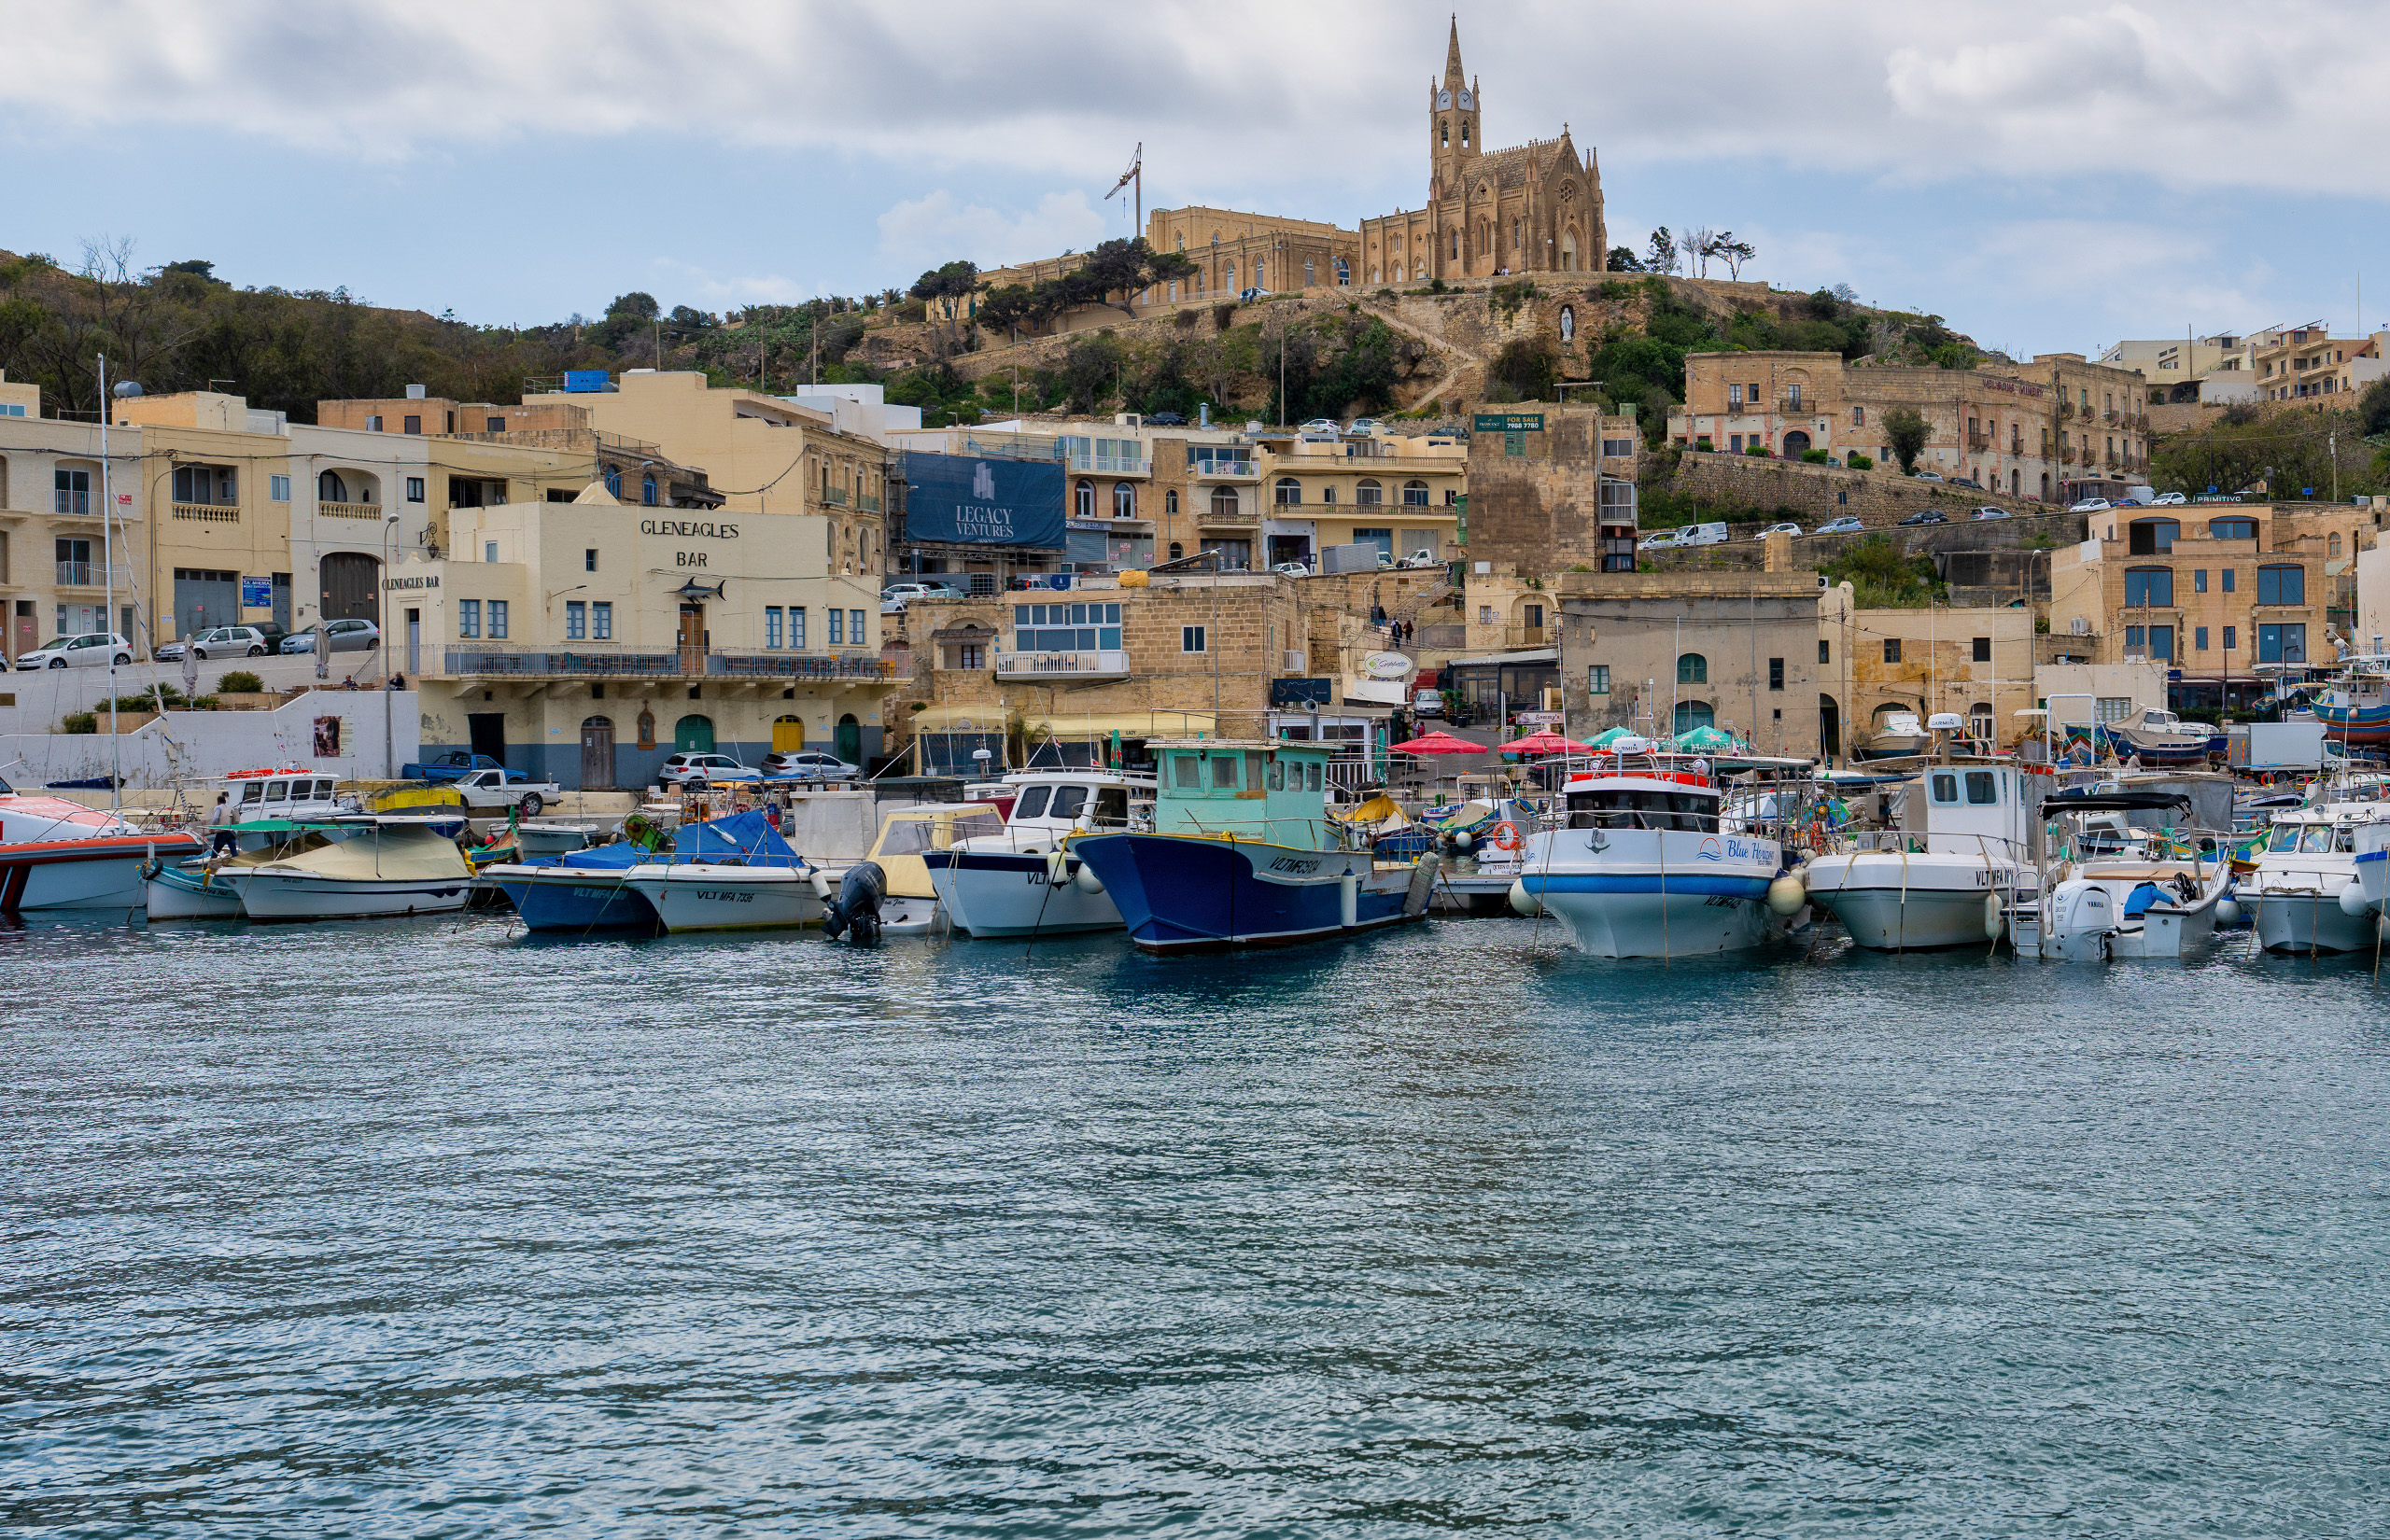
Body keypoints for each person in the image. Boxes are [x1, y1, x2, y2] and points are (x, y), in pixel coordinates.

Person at [208, 791, 238, 856]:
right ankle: (237, 864)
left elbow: (216, 818)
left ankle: (211, 864)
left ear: (218, 802)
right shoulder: (231, 808)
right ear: (225, 801)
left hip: (222, 832)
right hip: (231, 831)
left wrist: (212, 828)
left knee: (215, 851)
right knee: (234, 851)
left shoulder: (218, 807)